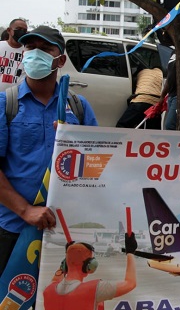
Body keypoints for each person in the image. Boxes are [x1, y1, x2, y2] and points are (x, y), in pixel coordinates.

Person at [0, 26, 98, 276]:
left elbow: (98, 164)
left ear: (61, 60)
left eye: (45, 49)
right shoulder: (6, 104)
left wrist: (74, 143)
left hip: (64, 228)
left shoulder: (78, 106)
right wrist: (25, 210)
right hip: (14, 226)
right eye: (30, 48)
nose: (35, 54)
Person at [43, 233, 137, 309]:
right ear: (90, 265)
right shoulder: (95, 289)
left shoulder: (48, 290)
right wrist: (130, 252)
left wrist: (68, 257)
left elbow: (57, 278)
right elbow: (130, 283)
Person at [0, 18, 27, 92]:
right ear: (9, 30)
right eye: (18, 29)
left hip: (16, 98)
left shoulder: (28, 51)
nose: (21, 32)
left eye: (24, 30)